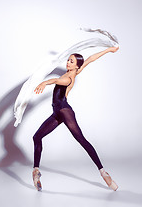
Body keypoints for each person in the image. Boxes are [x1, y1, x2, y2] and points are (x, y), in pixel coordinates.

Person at [32, 46, 119, 191]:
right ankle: (36, 170)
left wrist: (45, 82)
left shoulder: (69, 77)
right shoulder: (76, 71)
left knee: (81, 140)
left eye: (71, 61)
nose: (68, 63)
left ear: (76, 65)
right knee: (37, 137)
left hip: (65, 111)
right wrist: (108, 50)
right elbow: (90, 59)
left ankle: (103, 172)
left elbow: (58, 81)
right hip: (57, 113)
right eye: (68, 60)